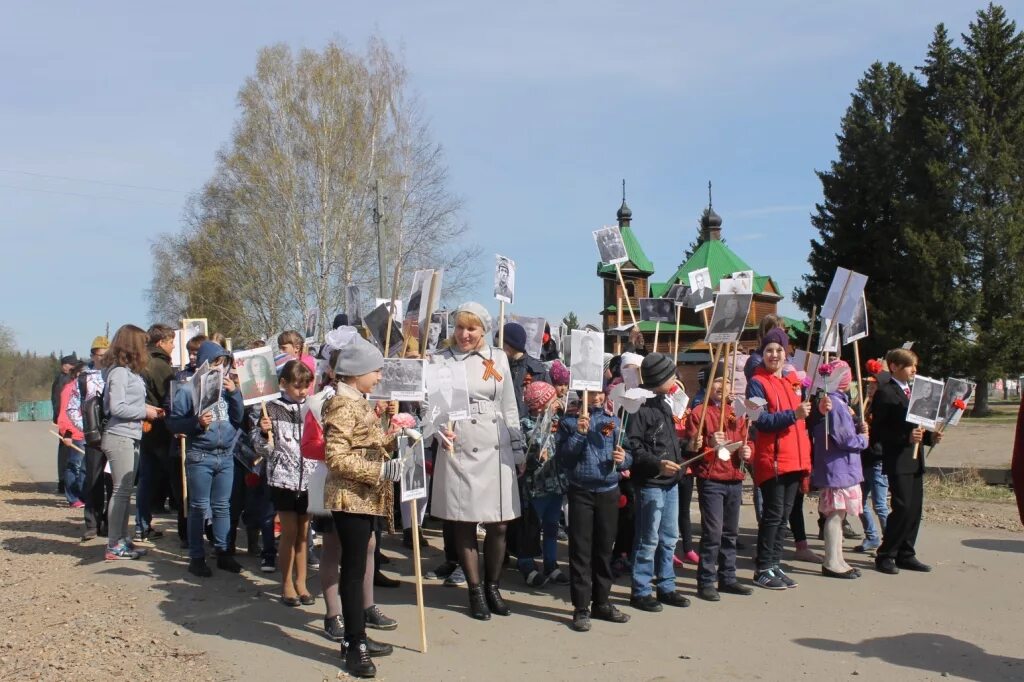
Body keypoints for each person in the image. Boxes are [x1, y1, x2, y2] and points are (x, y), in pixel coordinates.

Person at [428, 302, 526, 621]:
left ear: (484, 330)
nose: (464, 334)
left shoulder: (497, 357)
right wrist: (438, 429)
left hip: (496, 444)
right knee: (465, 520)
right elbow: (430, 404)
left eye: (471, 328)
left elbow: (509, 404)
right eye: (459, 327)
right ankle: (474, 589)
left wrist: (518, 446)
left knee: (499, 522)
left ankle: (492, 585)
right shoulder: (440, 359)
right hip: (460, 443)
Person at [323, 335, 407, 678]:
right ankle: (354, 643)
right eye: (376, 370)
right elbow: (336, 457)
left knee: (358, 568)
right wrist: (380, 469)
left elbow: (368, 443)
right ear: (357, 373)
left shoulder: (358, 400)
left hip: (366, 498)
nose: (380, 376)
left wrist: (397, 434)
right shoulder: (343, 404)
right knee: (354, 571)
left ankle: (358, 634)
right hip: (351, 498)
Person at [167, 340, 245, 577]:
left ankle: (223, 552)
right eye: (215, 363)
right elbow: (173, 422)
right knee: (199, 507)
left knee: (223, 507)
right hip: (200, 454)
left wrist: (235, 394)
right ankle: (197, 556)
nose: (220, 369)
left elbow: (238, 417)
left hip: (225, 454)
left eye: (223, 364)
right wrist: (195, 424)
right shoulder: (186, 389)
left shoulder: (228, 388)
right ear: (205, 364)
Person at [558, 383, 631, 631]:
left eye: (600, 392)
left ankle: (602, 602)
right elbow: (564, 458)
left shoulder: (613, 421)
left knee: (604, 549)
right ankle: (581, 608)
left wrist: (624, 460)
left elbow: (625, 450)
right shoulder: (569, 422)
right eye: (591, 392)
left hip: (609, 491)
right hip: (581, 492)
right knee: (581, 550)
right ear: (581, 395)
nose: (597, 397)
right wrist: (579, 433)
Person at [747, 327, 812, 590]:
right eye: (769, 350)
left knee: (783, 516)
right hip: (772, 460)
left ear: (786, 354)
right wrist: (793, 415)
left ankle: (774, 564)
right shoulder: (757, 382)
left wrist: (815, 410)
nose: (774, 354)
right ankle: (763, 567)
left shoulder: (789, 383)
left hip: (793, 460)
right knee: (773, 516)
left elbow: (801, 421)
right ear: (763, 354)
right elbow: (760, 420)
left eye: (779, 350)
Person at [625, 352, 691, 612]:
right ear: (658, 378)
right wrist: (657, 464)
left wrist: (686, 447)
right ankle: (640, 589)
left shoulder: (665, 402)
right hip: (651, 483)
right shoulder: (638, 406)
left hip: (671, 482)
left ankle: (666, 586)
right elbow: (634, 446)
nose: (675, 378)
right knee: (648, 537)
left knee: (669, 537)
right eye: (671, 374)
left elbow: (669, 440)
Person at [686, 364, 754, 601]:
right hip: (711, 479)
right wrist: (708, 441)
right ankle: (706, 580)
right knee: (712, 532)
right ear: (707, 385)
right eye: (716, 381)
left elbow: (747, 440)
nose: (721, 386)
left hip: (734, 477)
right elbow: (692, 446)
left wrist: (747, 451)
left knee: (730, 532)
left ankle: (728, 577)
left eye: (725, 381)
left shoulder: (737, 411)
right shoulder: (699, 412)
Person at [872, 348, 942, 575]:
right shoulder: (886, 393)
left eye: (915, 365)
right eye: (910, 365)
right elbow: (880, 430)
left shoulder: (914, 392)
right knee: (901, 506)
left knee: (914, 509)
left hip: (915, 458)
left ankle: (906, 552)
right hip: (898, 458)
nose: (914, 370)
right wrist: (905, 437)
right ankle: (886, 554)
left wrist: (932, 437)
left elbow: (918, 426)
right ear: (894, 367)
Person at [254, 360, 319, 604]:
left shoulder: (313, 407)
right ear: (283, 384)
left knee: (304, 533)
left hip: (309, 478)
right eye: (297, 386)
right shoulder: (270, 408)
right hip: (283, 478)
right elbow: (263, 448)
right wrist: (263, 432)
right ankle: (286, 583)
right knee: (290, 532)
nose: (302, 391)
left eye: (306, 386)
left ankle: (302, 582)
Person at [100, 325, 163, 560]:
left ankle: (121, 539)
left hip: (131, 435)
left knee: (126, 492)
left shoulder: (128, 372)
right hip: (120, 436)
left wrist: (147, 409)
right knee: (121, 491)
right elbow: (116, 407)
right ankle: (113, 544)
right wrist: (144, 412)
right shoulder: (118, 373)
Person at [809, 361, 868, 579]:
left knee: (839, 514)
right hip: (837, 467)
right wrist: (862, 439)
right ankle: (831, 560)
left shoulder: (838, 402)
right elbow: (843, 438)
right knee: (834, 515)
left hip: (842, 467)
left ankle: (838, 557)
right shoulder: (833, 402)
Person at [515, 381, 569, 588]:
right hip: (535, 487)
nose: (556, 402)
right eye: (552, 399)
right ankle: (526, 563)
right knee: (531, 528)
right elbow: (523, 455)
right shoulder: (525, 424)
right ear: (541, 404)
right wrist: (535, 456)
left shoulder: (557, 421)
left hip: (555, 484)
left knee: (552, 527)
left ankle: (551, 563)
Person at [136, 324, 175, 544]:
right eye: (171, 342)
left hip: (144, 429)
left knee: (146, 479)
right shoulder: (160, 366)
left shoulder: (139, 363)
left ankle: (142, 525)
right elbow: (168, 397)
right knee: (175, 477)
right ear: (161, 342)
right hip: (160, 428)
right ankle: (185, 527)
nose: (172, 347)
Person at [69, 336, 110, 540]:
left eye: (107, 355)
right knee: (93, 480)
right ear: (93, 355)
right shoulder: (84, 378)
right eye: (100, 355)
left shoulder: (115, 375)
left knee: (112, 481)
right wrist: (86, 428)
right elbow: (73, 407)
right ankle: (92, 523)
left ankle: (110, 523)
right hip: (93, 438)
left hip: (114, 434)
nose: (103, 359)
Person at [501, 322, 550, 421]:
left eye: (500, 343)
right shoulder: (499, 367)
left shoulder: (537, 370)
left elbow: (550, 402)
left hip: (529, 428)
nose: (498, 347)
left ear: (510, 344)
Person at [56, 361, 88, 509]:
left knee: (85, 467)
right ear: (77, 374)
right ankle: (73, 497)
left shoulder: (89, 389)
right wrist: (67, 434)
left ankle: (83, 495)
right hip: (75, 433)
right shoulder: (69, 389)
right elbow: (63, 414)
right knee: (74, 465)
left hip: (88, 433)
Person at [51, 353, 77, 493]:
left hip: (66, 420)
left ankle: (64, 482)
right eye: (72, 364)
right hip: (66, 421)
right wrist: (61, 421)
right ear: (65, 366)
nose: (74, 367)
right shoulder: (63, 380)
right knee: (66, 453)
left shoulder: (65, 379)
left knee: (67, 452)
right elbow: (58, 402)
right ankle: (63, 482)